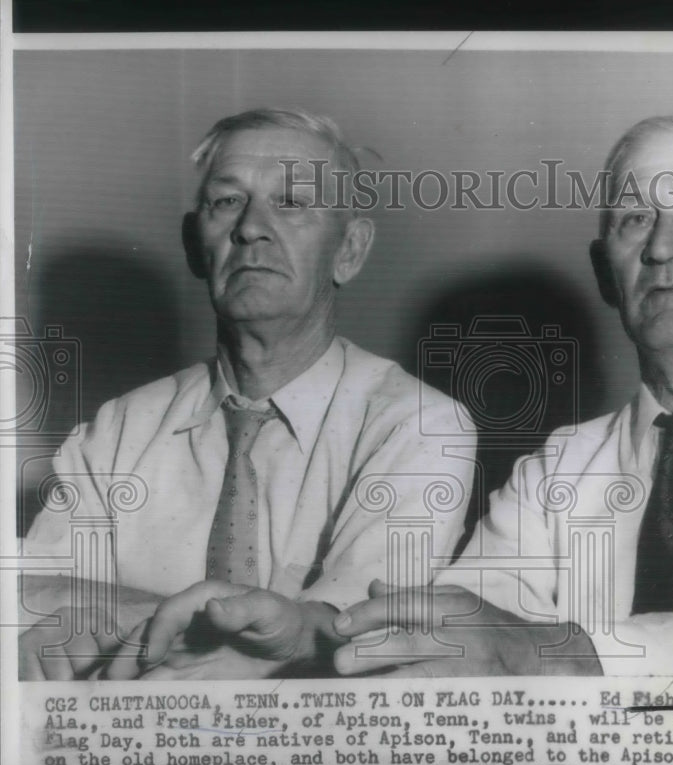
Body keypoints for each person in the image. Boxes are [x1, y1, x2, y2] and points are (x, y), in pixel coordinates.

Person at [117, 115, 673, 678]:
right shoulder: (558, 467)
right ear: (603, 274)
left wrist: (549, 652)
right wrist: (311, 631)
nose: (661, 248)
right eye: (630, 221)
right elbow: (463, 628)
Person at [18, 108, 474, 680]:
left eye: (291, 202)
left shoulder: (419, 424)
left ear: (350, 250)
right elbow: (23, 593)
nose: (252, 227)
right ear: (194, 244)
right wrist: (190, 626)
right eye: (227, 202)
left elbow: (347, 635)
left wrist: (116, 617)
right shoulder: (118, 430)